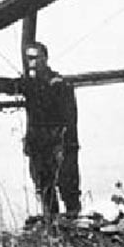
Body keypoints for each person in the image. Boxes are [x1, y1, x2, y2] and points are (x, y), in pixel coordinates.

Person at [20, 42, 81, 217]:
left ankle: (74, 223)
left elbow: (70, 119)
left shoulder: (59, 85)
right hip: (39, 144)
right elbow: (32, 117)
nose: (31, 63)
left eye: (35, 58)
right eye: (28, 59)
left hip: (59, 143)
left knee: (68, 187)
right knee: (44, 188)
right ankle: (52, 227)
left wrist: (66, 146)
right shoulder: (30, 86)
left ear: (45, 58)